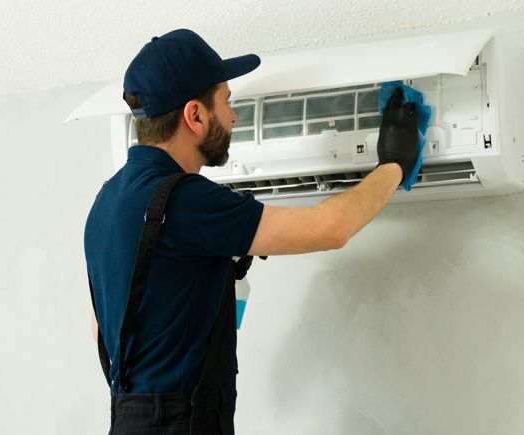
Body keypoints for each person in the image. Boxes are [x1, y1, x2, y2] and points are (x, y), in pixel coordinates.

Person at [84, 28, 420, 434]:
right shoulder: (185, 200)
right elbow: (332, 228)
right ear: (195, 115)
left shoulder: (107, 199)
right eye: (226, 102)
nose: (234, 116)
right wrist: (394, 163)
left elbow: (108, 323)